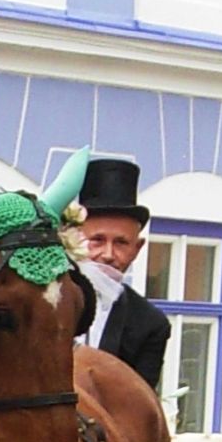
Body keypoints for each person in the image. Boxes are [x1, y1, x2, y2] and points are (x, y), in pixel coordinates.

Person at [77, 157, 171, 389]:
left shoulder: (149, 325)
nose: (108, 254)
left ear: (137, 249)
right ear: (73, 237)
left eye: (121, 243)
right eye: (97, 240)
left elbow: (138, 410)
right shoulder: (42, 298)